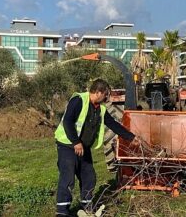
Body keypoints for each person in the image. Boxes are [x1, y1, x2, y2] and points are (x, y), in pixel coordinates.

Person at [54, 79, 139, 216]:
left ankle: (87, 207)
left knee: (89, 177)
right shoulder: (79, 100)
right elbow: (68, 121)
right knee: (68, 178)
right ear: (98, 92)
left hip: (83, 148)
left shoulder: (101, 109)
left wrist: (131, 137)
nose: (107, 98)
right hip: (68, 145)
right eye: (106, 94)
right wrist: (76, 142)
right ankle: (62, 212)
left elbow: (113, 124)